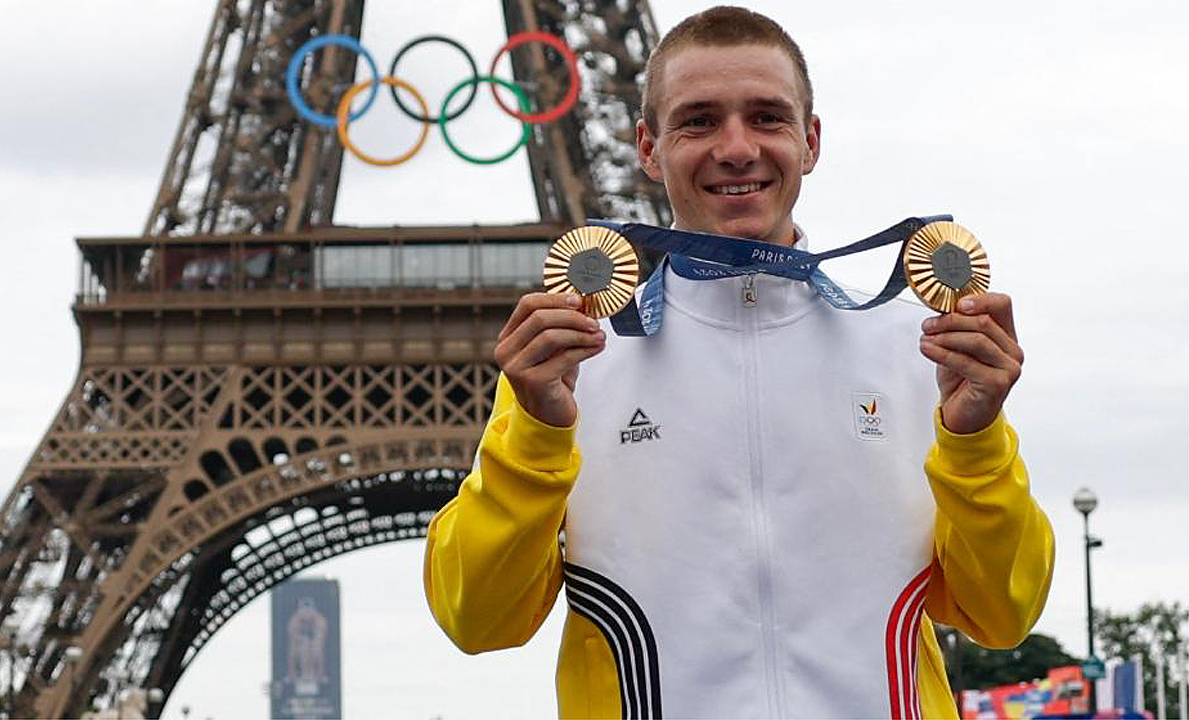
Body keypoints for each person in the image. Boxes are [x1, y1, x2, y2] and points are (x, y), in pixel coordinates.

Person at [424, 6, 1054, 718]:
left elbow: (1005, 613)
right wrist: (536, 438)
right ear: (648, 147)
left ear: (810, 140)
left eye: (766, 117)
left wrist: (974, 445)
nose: (736, 148)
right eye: (697, 121)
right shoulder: (573, 369)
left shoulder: (919, 350)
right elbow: (476, 620)